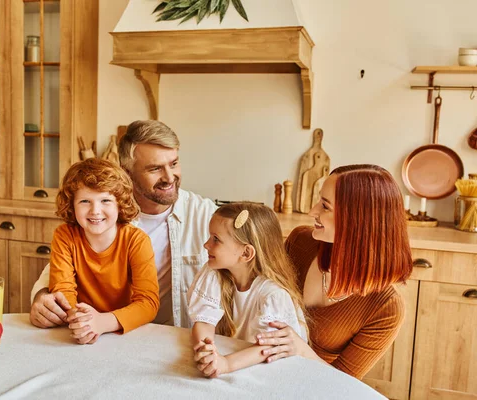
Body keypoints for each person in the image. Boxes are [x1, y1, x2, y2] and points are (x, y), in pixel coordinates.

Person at [30, 120, 217, 331]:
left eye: (173, 164)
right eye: (155, 168)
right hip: (108, 333)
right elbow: (59, 275)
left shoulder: (207, 216)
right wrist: (42, 296)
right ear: (127, 172)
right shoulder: (103, 217)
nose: (169, 177)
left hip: (175, 335)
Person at [256, 164, 413, 379]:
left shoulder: (386, 308)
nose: (313, 211)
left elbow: (345, 382)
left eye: (325, 206)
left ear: (358, 220)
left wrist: (301, 350)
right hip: (260, 366)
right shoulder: (300, 242)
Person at [188, 203, 307, 378]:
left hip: (271, 369)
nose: (206, 245)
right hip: (239, 362)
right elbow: (204, 321)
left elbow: (269, 346)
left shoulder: (273, 295)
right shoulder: (213, 273)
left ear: (245, 253)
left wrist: (226, 363)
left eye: (215, 239)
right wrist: (206, 351)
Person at [48, 158, 159, 343]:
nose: (95, 210)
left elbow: (148, 303)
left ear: (119, 203)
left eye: (105, 200)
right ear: (72, 204)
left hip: (124, 333)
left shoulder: (136, 240)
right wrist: (80, 321)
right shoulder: (64, 235)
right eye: (85, 201)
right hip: (80, 330)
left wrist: (102, 323)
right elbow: (62, 290)